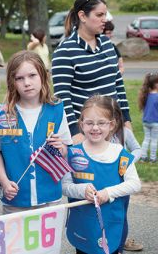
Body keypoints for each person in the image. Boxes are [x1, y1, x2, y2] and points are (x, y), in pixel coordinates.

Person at [0, 51, 72, 213]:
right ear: (12, 82)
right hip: (16, 199)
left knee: (48, 239)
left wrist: (60, 147)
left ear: (43, 76)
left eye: (32, 75)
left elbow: (65, 149)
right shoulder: (1, 114)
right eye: (19, 78)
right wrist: (4, 181)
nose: (27, 83)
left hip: (50, 199)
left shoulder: (57, 110)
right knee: (16, 239)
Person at [62, 95, 141, 254]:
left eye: (101, 123)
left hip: (111, 224)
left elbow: (134, 184)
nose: (95, 128)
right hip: (83, 225)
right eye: (89, 123)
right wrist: (81, 190)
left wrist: (108, 192)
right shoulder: (73, 153)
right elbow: (64, 186)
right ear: (81, 124)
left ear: (112, 125)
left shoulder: (120, 154)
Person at [52, 0, 131, 145]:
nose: (105, 19)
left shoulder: (108, 45)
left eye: (105, 14)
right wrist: (75, 133)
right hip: (87, 134)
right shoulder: (65, 51)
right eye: (99, 15)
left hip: (114, 129)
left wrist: (126, 121)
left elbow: (118, 85)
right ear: (82, 16)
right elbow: (62, 97)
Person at [109, 98, 143, 253]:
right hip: (102, 182)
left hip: (121, 183)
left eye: (113, 119)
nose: (109, 124)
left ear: (118, 118)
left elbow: (137, 149)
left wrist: (128, 161)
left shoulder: (125, 132)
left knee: (120, 217)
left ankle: (119, 247)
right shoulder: (95, 133)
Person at [139, 72, 158, 163]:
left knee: (146, 139)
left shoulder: (145, 95)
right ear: (155, 84)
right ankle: (153, 158)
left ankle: (143, 157)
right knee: (154, 140)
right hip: (155, 122)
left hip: (145, 122)